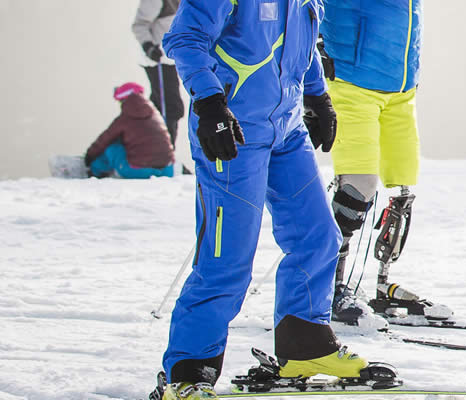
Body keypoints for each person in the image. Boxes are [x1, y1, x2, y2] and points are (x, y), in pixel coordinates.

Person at [159, 1, 384, 398]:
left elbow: (303, 44)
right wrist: (209, 101)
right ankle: (188, 371)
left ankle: (306, 347)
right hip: (231, 129)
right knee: (226, 258)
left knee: (318, 237)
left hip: (286, 129)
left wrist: (317, 95)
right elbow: (185, 38)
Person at [319, 0, 448, 325]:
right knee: (358, 185)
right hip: (351, 80)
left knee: (402, 185)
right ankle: (328, 287)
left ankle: (380, 281)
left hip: (400, 87)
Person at [84, 82, 175, 179]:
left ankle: (95, 171)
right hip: (167, 170)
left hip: (138, 172)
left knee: (113, 147)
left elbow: (105, 139)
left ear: (124, 100)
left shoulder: (125, 118)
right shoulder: (155, 115)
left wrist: (89, 157)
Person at [133, 0, 185, 145]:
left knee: (166, 106)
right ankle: (162, 153)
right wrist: (148, 46)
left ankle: (156, 152)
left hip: (173, 60)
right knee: (169, 107)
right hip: (158, 60)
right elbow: (140, 25)